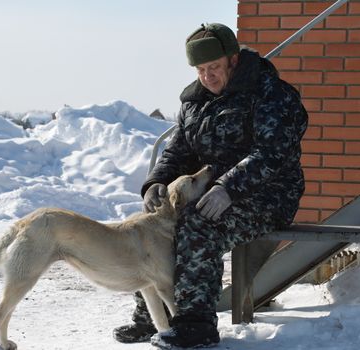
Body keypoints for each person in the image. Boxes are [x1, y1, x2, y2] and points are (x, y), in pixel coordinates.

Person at [113, 22, 308, 349]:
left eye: (214, 68)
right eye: (200, 70)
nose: (207, 76)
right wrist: (157, 181)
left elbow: (273, 153)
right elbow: (178, 150)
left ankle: (195, 325)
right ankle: (153, 315)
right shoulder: (195, 101)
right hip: (211, 191)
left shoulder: (271, 94)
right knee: (154, 224)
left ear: (233, 60)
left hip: (267, 195)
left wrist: (228, 187)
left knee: (198, 225)